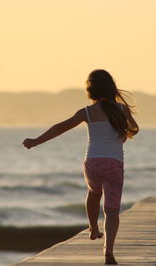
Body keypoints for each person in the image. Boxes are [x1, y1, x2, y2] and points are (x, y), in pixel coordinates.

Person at [22, 69, 139, 265]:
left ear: (90, 90)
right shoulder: (122, 110)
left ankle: (93, 228)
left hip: (92, 164)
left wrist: (35, 141)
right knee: (111, 210)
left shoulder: (86, 112)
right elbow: (134, 128)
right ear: (111, 87)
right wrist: (123, 134)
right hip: (114, 165)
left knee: (94, 193)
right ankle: (108, 251)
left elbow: (60, 127)